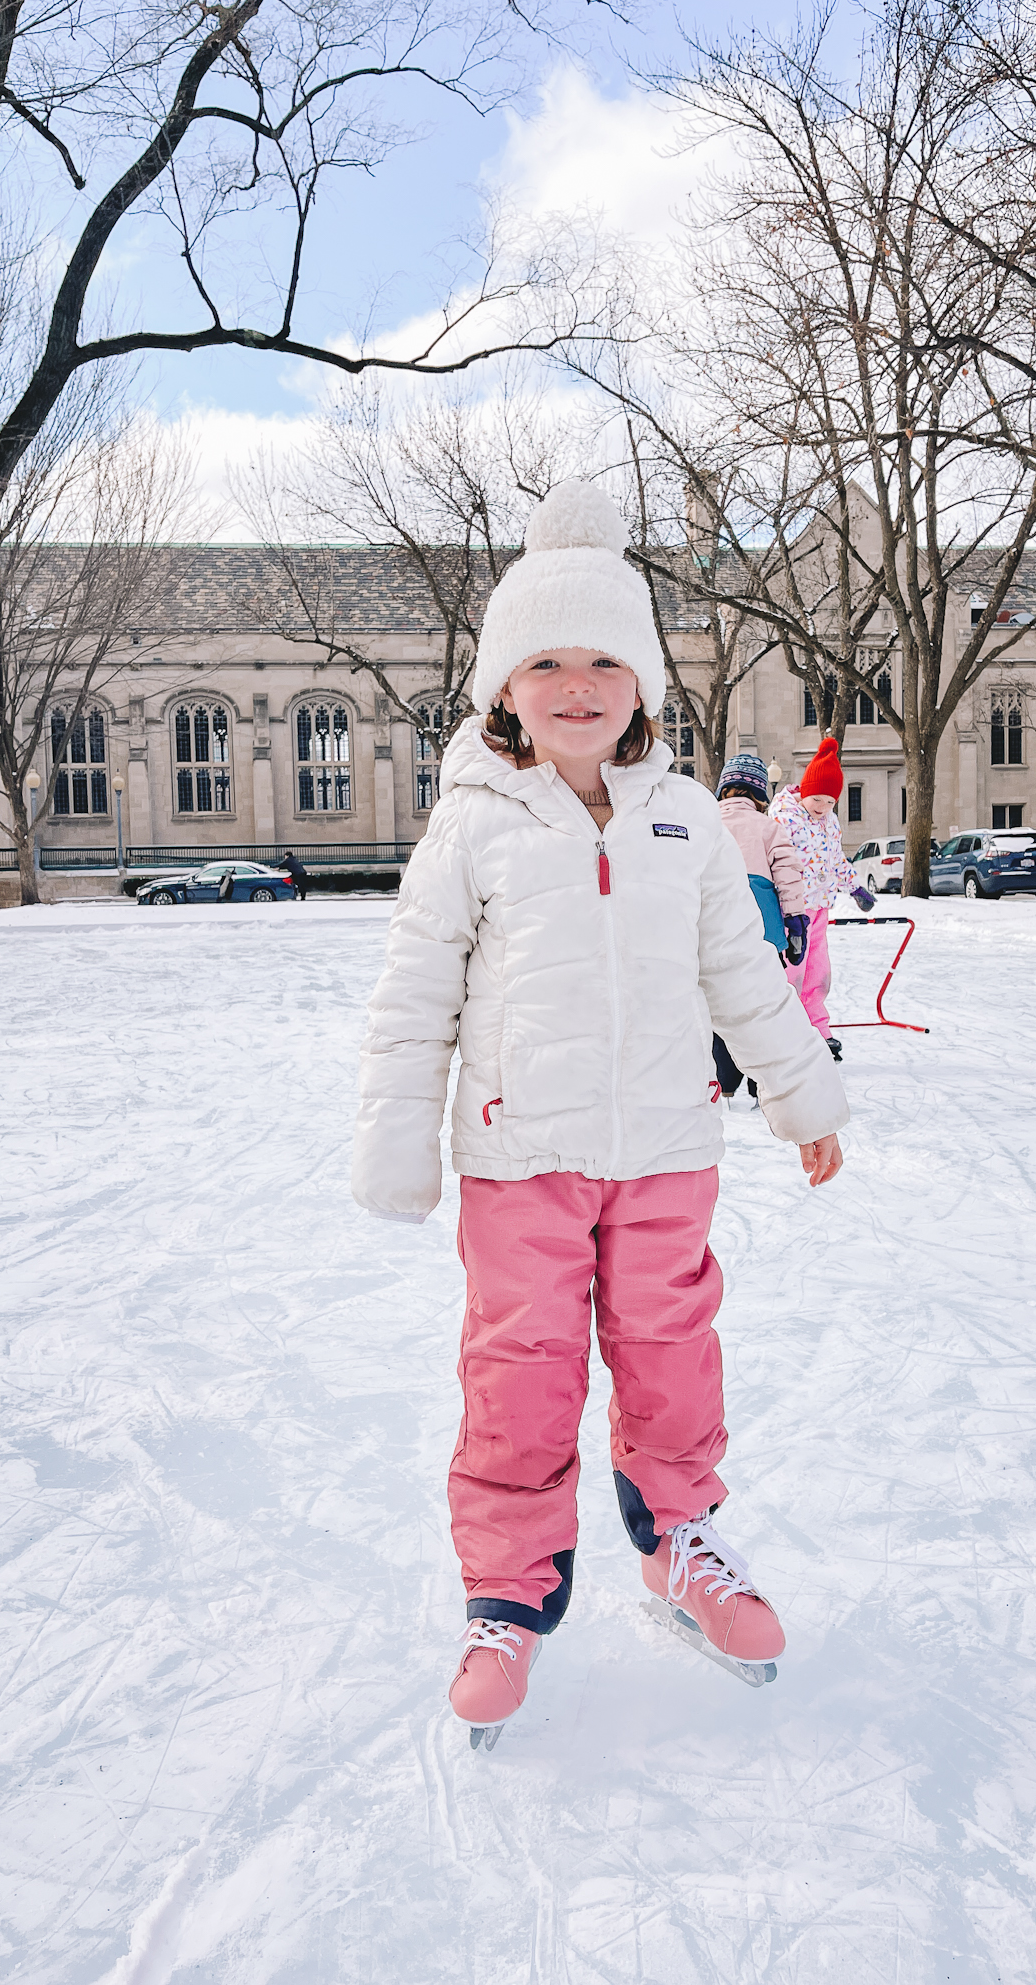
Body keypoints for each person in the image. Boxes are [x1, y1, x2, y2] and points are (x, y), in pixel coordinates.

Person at [352, 480, 849, 1742]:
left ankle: (681, 1541)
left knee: (674, 1352)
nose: (578, 685)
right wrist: (401, 1142)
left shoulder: (686, 818)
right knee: (517, 1370)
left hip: (670, 1146)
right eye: (547, 662)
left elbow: (744, 968)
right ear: (502, 687)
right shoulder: (470, 825)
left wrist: (799, 1090)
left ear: (644, 683)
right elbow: (415, 997)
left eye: (605, 660)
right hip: (522, 1154)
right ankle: (506, 1597)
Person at [711, 752, 811, 1106]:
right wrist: (796, 923)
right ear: (760, 795)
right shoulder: (770, 827)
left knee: (717, 1007)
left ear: (723, 791)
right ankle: (760, 1084)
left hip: (716, 932)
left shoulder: (705, 823)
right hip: (764, 933)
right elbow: (788, 876)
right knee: (762, 1006)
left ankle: (724, 1082)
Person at [768, 739, 877, 1056]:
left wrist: (854, 887)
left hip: (820, 908)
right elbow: (773, 861)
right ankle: (784, 1033)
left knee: (818, 973)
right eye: (817, 799)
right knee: (791, 973)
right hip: (791, 910)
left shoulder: (829, 822)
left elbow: (836, 860)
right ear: (804, 790)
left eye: (830, 802)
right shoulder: (783, 819)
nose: (822, 807)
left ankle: (818, 1030)